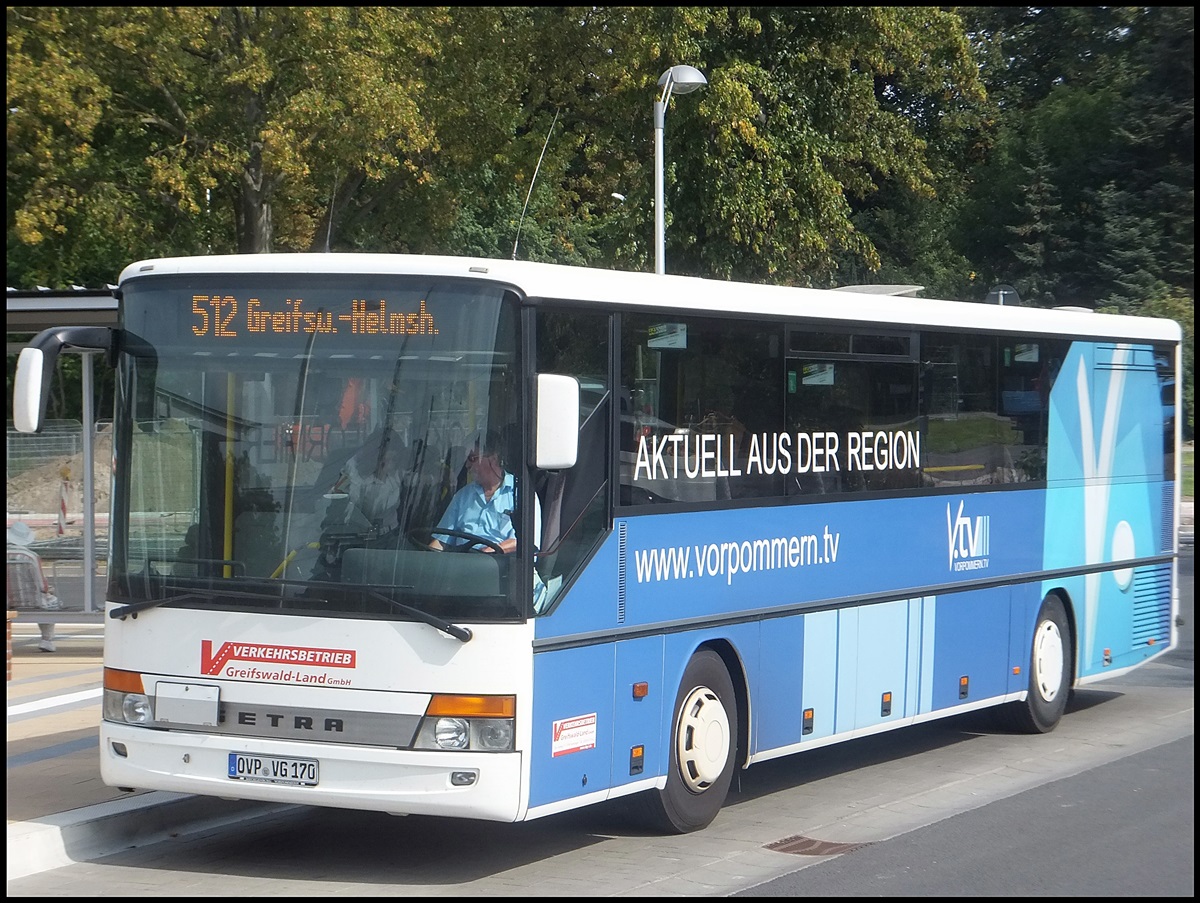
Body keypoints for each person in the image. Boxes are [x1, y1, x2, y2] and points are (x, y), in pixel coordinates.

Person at [427, 429, 538, 553]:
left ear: (494, 458)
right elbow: (442, 540)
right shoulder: (463, 496)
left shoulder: (521, 494)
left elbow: (526, 542)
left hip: (503, 566)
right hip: (462, 564)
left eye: (472, 458)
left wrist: (487, 553)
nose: (467, 465)